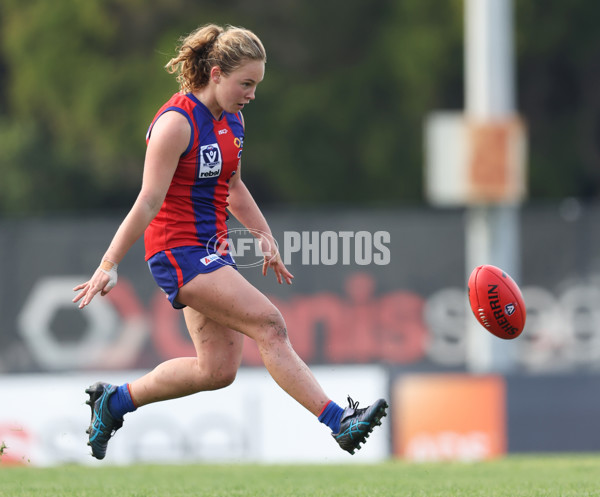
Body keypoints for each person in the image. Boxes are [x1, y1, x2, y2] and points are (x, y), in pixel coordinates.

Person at [72, 23, 387, 461]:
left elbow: (233, 187)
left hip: (212, 251)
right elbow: (147, 201)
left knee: (217, 370)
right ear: (216, 73)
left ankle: (114, 401)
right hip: (177, 253)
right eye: (246, 83)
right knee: (270, 325)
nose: (252, 94)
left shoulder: (233, 120)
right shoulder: (175, 124)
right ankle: (339, 421)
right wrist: (108, 264)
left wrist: (264, 237)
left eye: (256, 84)